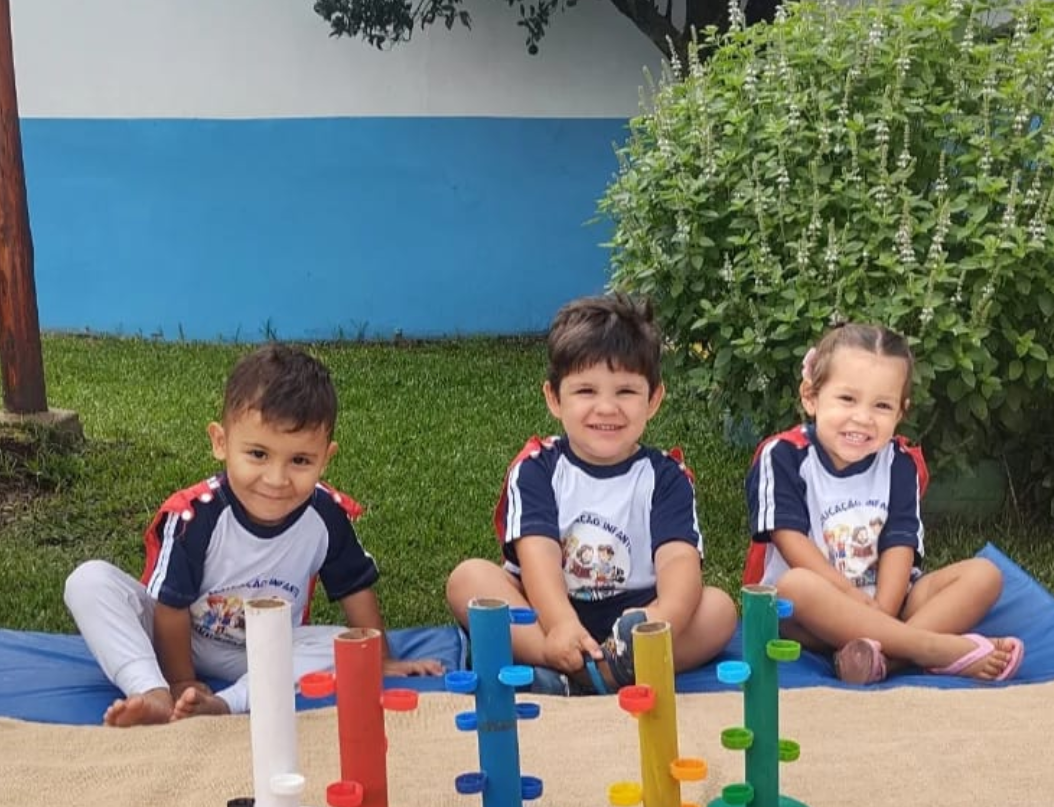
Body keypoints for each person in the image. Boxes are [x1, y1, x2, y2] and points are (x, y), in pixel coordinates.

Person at [64, 344, 443, 725]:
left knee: (355, 645)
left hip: (267, 649)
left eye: (300, 460)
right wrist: (180, 681)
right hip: (175, 639)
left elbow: (355, 589)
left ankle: (228, 703)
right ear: (221, 442)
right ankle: (151, 691)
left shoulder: (326, 515)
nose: (276, 480)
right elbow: (170, 608)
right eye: (258, 454)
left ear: (326, 458)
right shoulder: (196, 514)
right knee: (88, 581)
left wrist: (380, 660)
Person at [446, 293, 738, 693]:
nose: (606, 408)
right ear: (554, 398)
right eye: (586, 391)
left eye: (625, 392)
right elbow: (538, 559)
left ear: (653, 400)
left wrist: (658, 620)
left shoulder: (667, 477)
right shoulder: (536, 468)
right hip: (546, 612)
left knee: (719, 609)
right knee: (469, 578)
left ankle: (592, 674)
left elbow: (679, 563)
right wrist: (562, 625)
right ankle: (558, 658)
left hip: (635, 623)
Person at [744, 320, 1024, 684]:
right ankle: (929, 647)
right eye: (847, 399)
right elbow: (790, 540)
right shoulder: (783, 455)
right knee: (794, 585)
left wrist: (883, 611)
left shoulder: (899, 463)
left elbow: (900, 544)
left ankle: (882, 659)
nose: (862, 418)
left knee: (985, 575)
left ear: (900, 412)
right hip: (811, 615)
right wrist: (851, 596)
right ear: (811, 396)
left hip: (890, 604)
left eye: (881, 405)